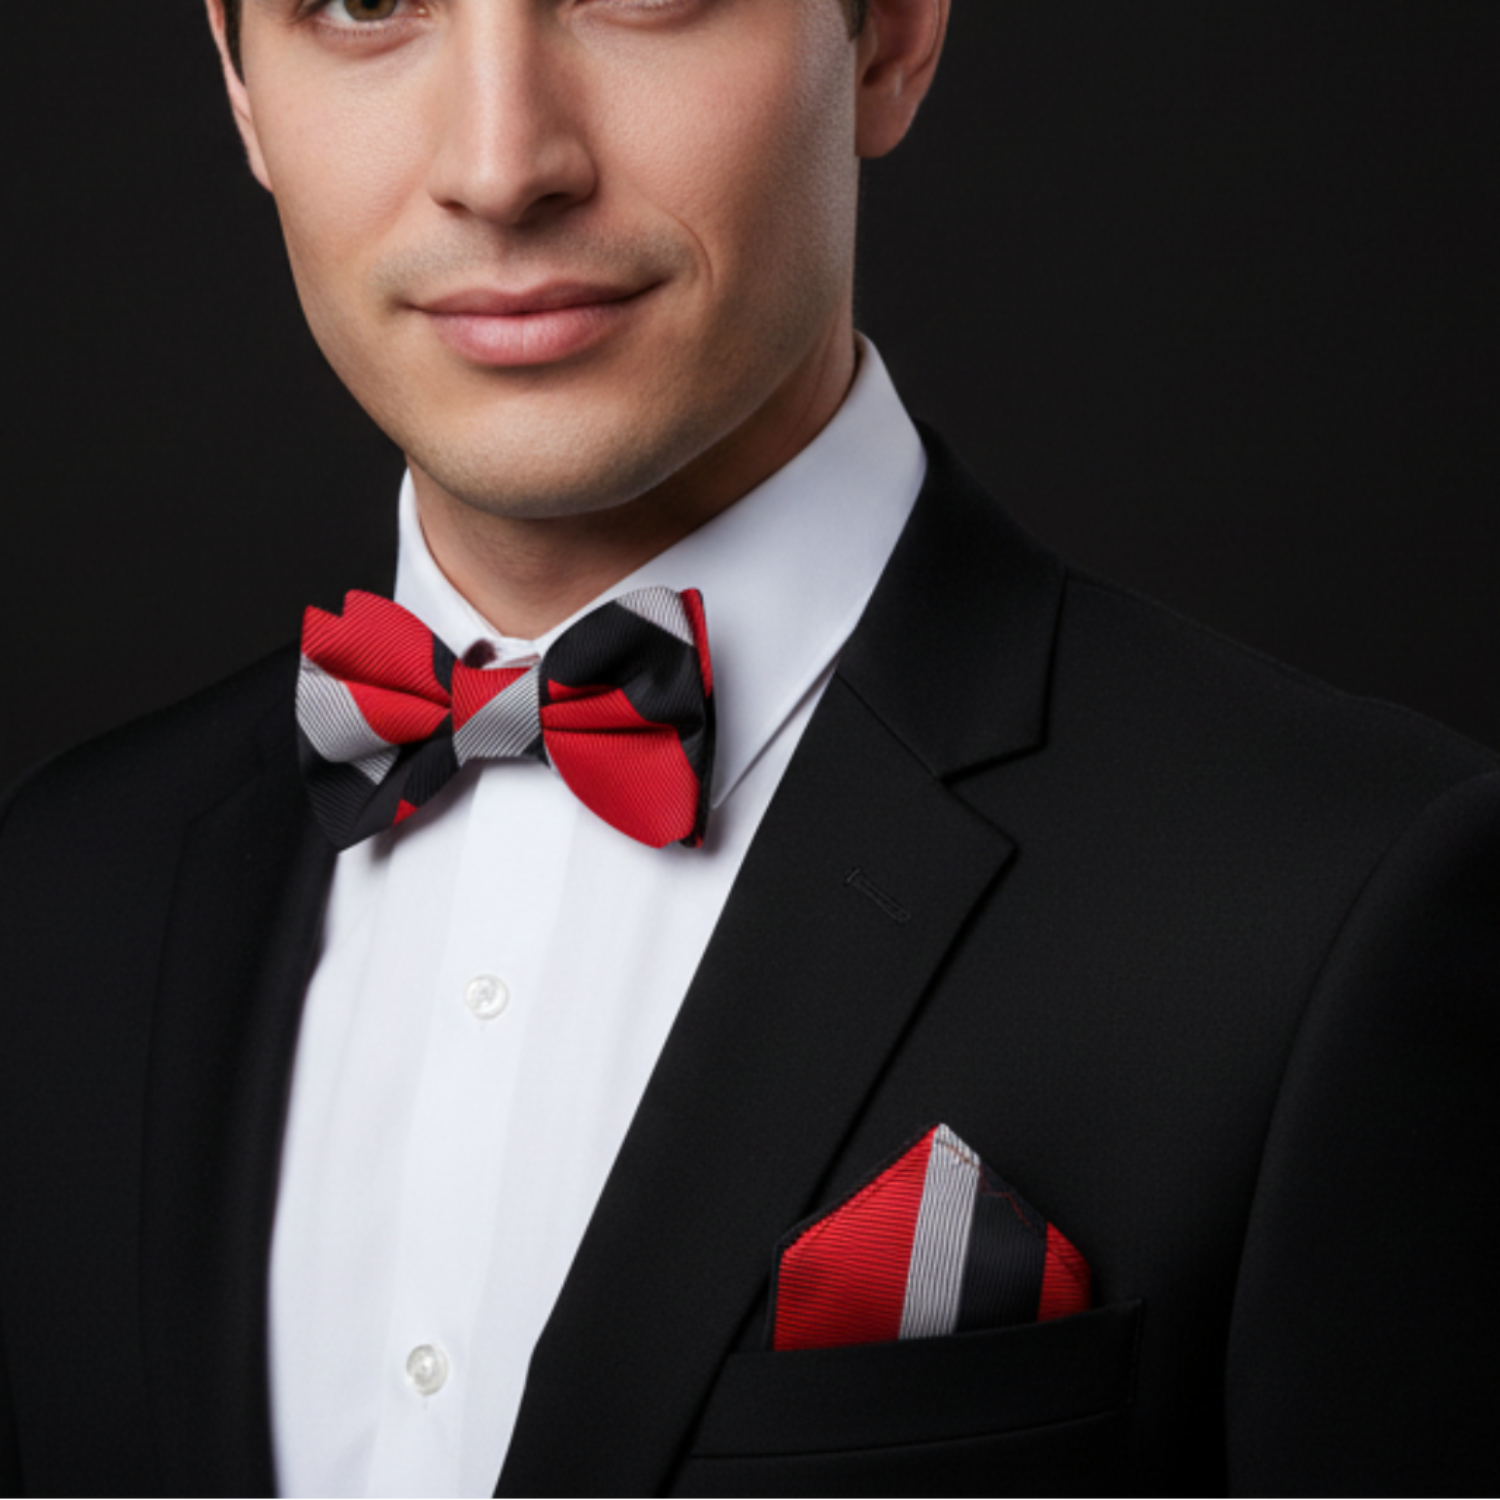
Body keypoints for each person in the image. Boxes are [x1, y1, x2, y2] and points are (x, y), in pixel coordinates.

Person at [0, 0, 1494, 1495]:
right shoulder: (58, 895)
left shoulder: (1341, 899)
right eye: (365, 3)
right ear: (241, 82)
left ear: (893, 38)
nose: (502, 162)